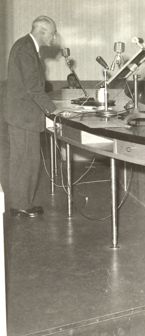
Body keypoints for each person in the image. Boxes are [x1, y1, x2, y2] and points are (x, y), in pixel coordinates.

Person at [1, 15, 59, 218]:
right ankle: (21, 205)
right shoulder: (26, 49)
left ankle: (20, 203)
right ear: (42, 31)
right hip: (23, 117)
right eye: (53, 33)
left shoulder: (25, 46)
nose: (54, 37)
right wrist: (54, 110)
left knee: (23, 160)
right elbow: (33, 88)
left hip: (21, 115)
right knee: (25, 160)